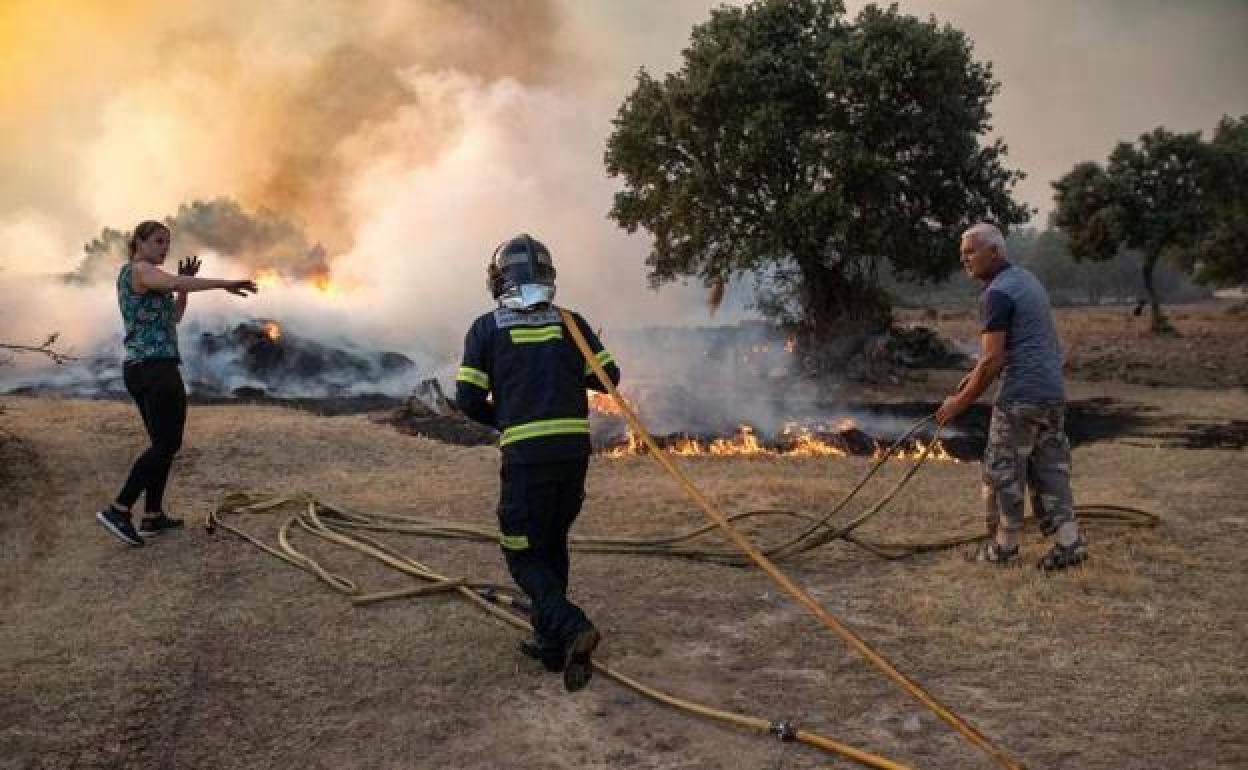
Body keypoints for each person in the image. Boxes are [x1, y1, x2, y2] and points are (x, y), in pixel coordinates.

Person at [455, 233, 620, 692]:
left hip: (527, 457)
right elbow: (611, 379)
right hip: (572, 454)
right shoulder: (572, 323)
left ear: (497, 280)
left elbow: (466, 399)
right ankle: (551, 645)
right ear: (548, 276)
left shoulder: (486, 328)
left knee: (522, 549)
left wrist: (505, 417)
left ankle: (571, 625)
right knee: (552, 541)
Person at [94, 220, 258, 547]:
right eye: (158, 241)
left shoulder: (152, 281)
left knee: (162, 444)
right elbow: (171, 281)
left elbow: (175, 318)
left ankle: (152, 516)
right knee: (167, 445)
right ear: (138, 242)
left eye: (167, 243)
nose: (164, 248)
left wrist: (184, 288)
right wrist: (223, 283)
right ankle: (119, 509)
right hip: (156, 371)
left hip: (144, 369)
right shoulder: (139, 270)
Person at [935, 223, 1088, 570]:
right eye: (962, 254)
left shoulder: (997, 293)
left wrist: (958, 404)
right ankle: (1069, 543)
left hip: (1020, 397)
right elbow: (1006, 350)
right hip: (1051, 394)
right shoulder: (1027, 281)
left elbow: (993, 360)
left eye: (971, 251)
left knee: (1003, 468)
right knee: (1050, 468)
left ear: (995, 252)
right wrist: (970, 379)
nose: (965, 260)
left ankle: (1004, 548)